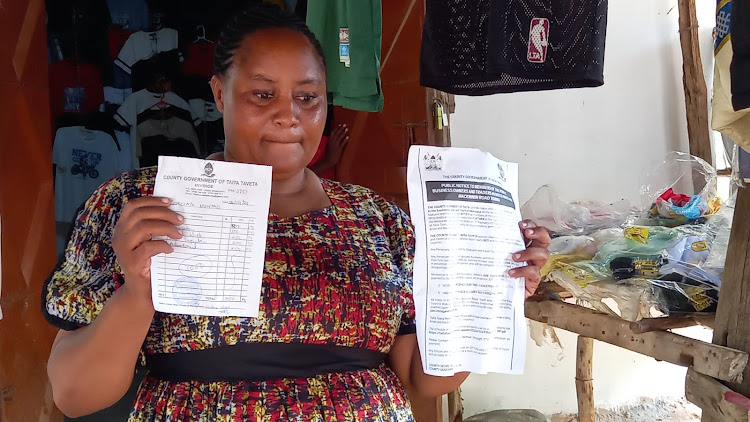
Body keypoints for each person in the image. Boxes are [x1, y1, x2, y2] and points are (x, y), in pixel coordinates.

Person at [44, 3, 551, 421]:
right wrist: (137, 293)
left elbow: (422, 377)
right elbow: (75, 393)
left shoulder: (378, 220)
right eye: (263, 94)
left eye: (306, 97)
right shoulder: (140, 205)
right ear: (220, 93)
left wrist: (497, 290)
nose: (288, 115)